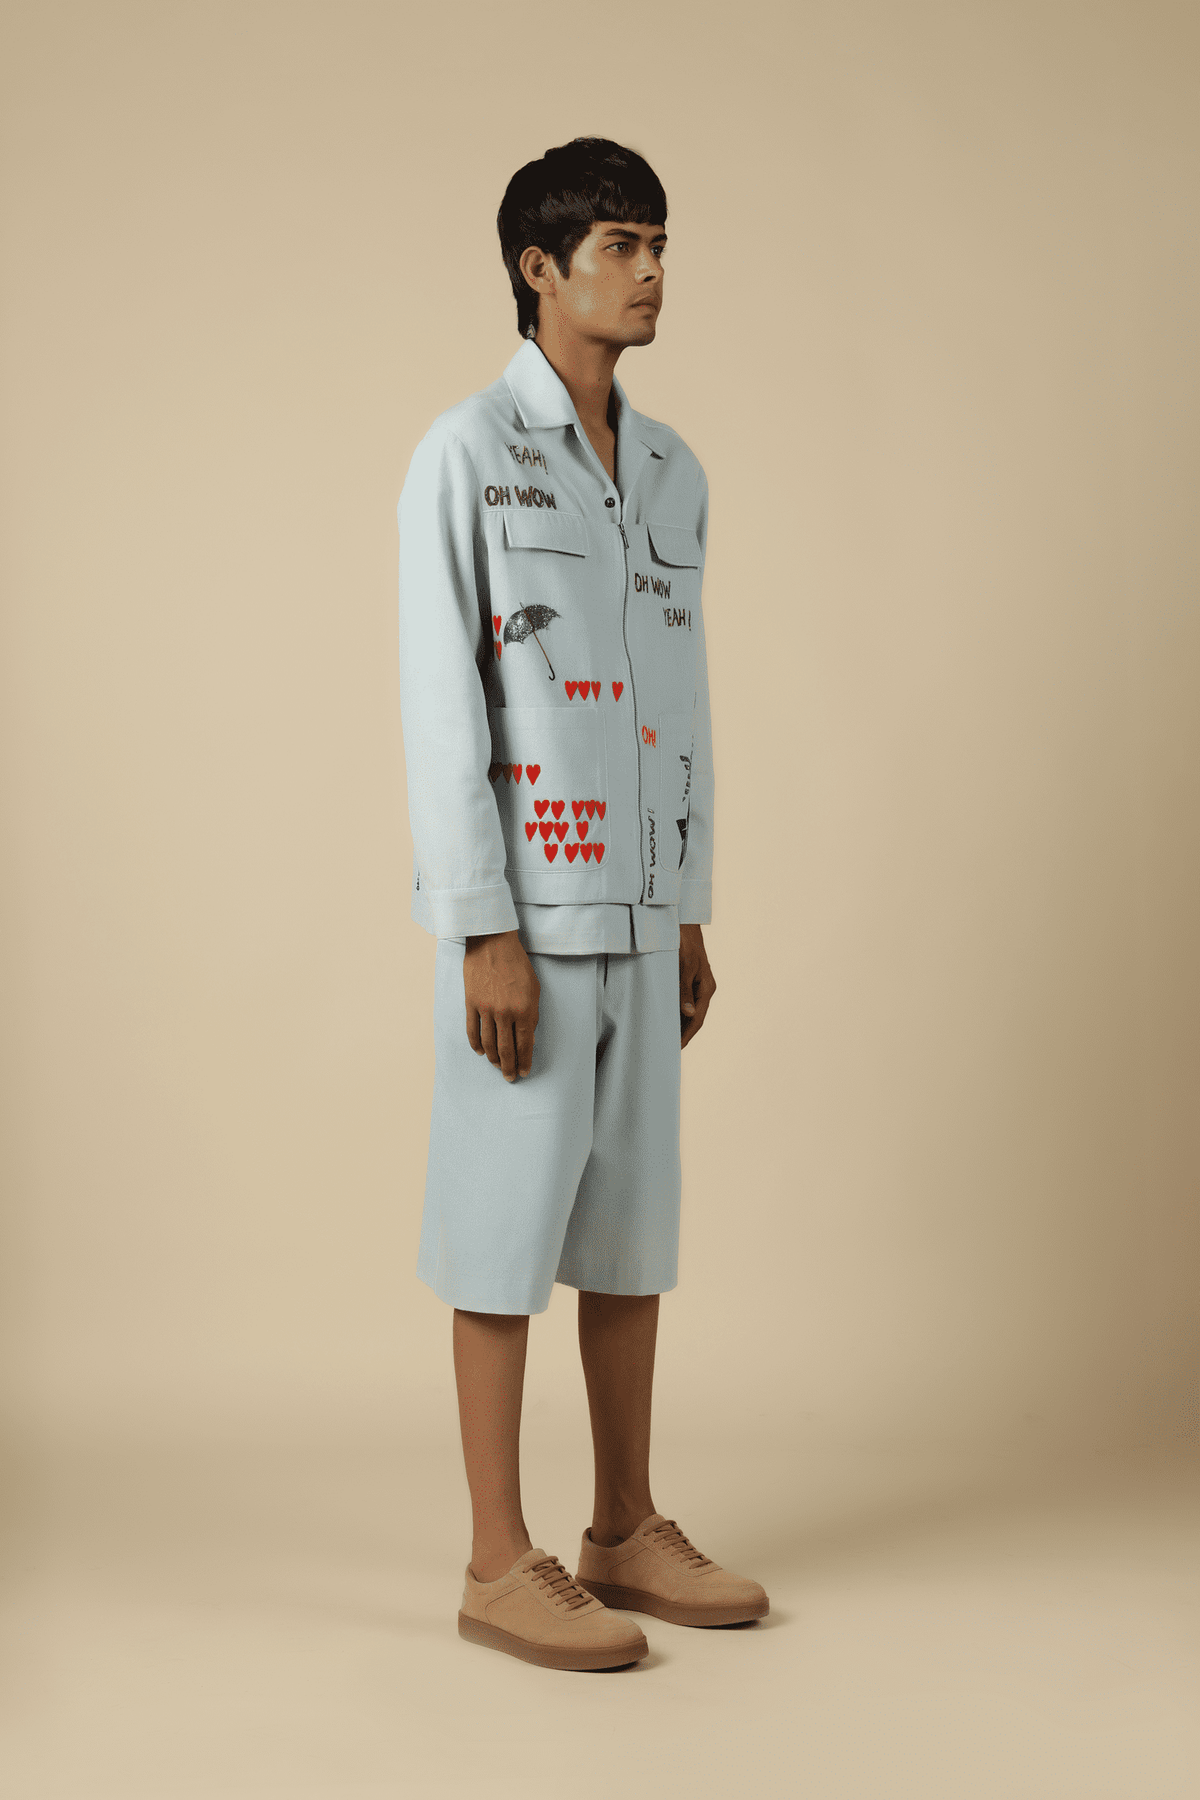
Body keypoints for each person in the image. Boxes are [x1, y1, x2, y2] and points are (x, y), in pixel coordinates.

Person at [396, 137, 768, 1671]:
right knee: (503, 1232)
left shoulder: (673, 469)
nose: (653, 270)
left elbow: (678, 706)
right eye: (622, 243)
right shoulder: (467, 453)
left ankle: (624, 1525)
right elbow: (444, 704)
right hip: (529, 931)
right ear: (539, 268)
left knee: (629, 1233)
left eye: (660, 241)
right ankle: (498, 1559)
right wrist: (480, 924)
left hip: (638, 913)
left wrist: (685, 908)